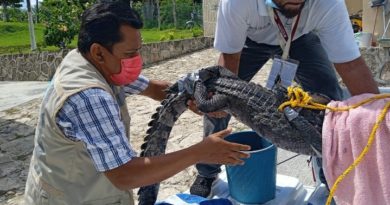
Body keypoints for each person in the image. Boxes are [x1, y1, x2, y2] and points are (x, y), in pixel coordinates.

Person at [23, 2, 251, 204]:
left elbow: (154, 88)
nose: (136, 61)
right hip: (70, 197)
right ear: (99, 52)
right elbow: (125, 175)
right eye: (130, 53)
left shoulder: (92, 61)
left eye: (138, 51)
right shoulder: (88, 96)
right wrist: (200, 152)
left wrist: (194, 99)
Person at [190, 0, 380, 198]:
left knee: (330, 96)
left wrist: (380, 118)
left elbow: (351, 66)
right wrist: (221, 99)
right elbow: (229, 61)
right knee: (219, 93)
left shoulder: (328, 3)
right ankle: (207, 172)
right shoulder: (237, 2)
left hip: (301, 38)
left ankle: (331, 175)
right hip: (250, 40)